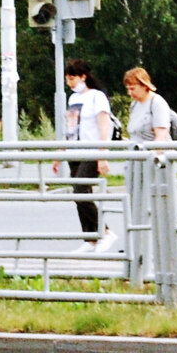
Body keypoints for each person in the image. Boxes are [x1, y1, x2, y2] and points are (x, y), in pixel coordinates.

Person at [63, 58, 113, 244]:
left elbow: (103, 127)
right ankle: (90, 238)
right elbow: (70, 128)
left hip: (91, 150)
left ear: (83, 76)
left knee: (81, 191)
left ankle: (105, 231)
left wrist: (103, 155)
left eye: (72, 79)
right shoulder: (73, 98)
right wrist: (61, 153)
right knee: (78, 196)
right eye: (67, 79)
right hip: (74, 151)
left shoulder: (96, 97)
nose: (70, 83)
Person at [122, 67, 176, 141]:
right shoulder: (134, 105)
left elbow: (161, 137)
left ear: (144, 86)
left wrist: (154, 152)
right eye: (127, 89)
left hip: (153, 151)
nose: (129, 93)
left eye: (132, 89)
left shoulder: (157, 103)